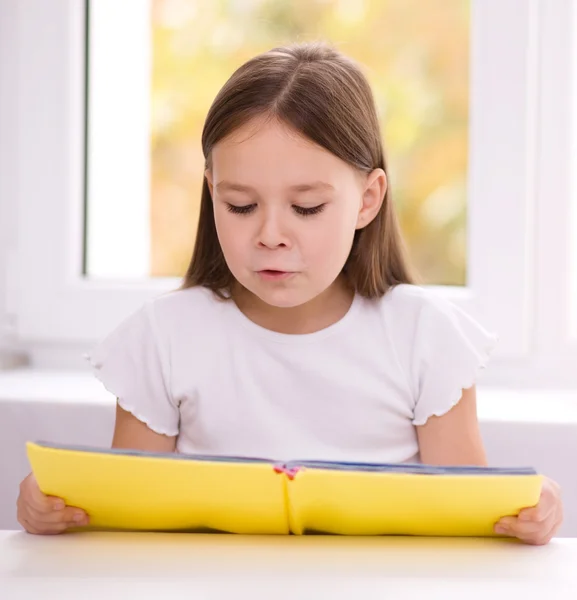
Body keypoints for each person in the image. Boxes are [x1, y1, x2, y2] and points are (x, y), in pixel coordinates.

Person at [17, 42, 562, 543]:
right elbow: (123, 520)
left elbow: (471, 520)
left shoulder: (426, 337)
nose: (271, 234)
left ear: (367, 200)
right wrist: (54, 510)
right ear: (212, 192)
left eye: (306, 208)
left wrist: (529, 512)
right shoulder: (162, 338)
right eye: (240, 205)